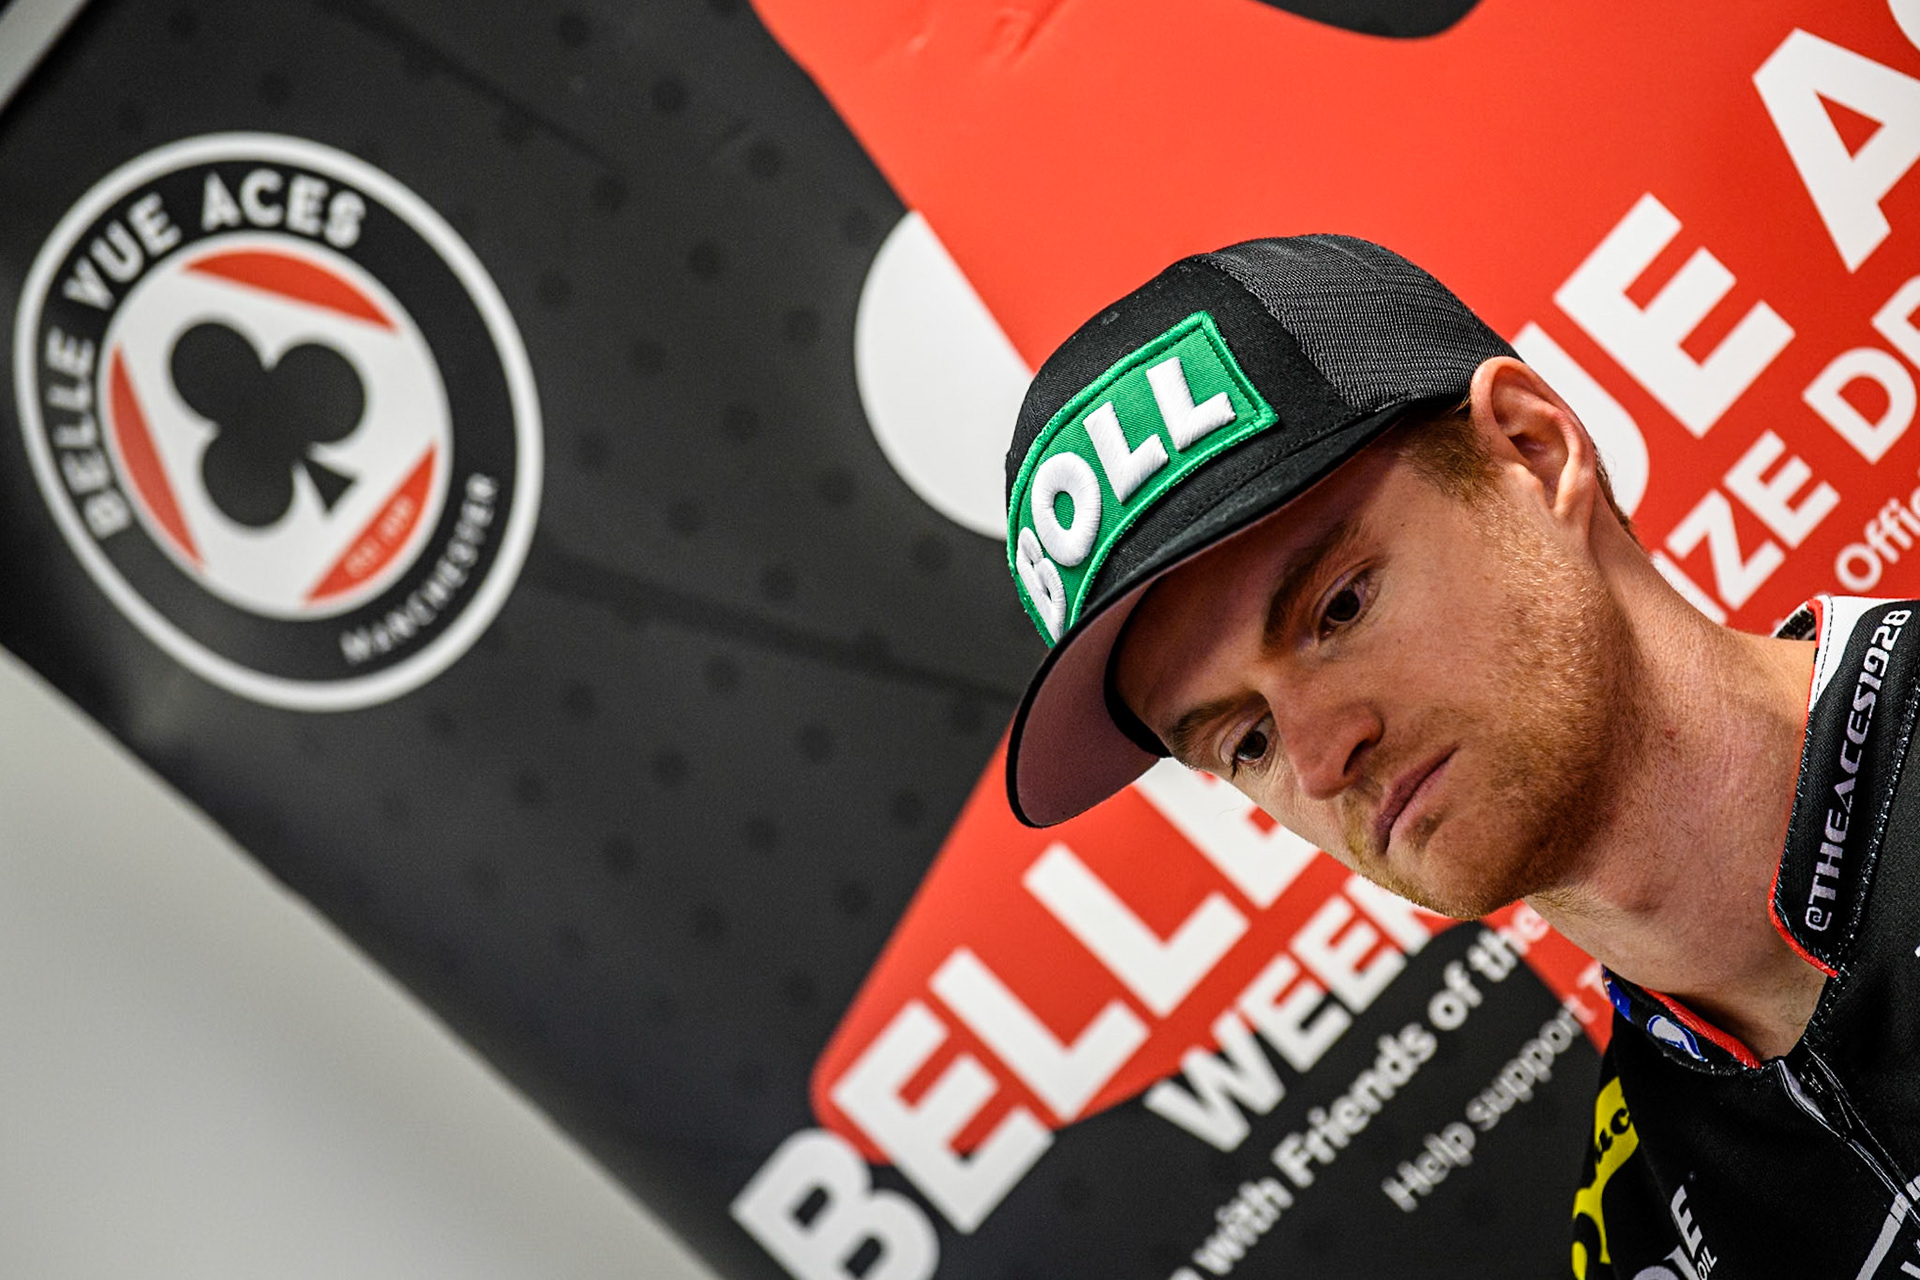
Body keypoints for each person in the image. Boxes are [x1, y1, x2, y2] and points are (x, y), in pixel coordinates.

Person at [1000, 234, 1920, 1277]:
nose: (1316, 756)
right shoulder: (1641, 1231)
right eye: (1242, 740)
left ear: (1533, 453)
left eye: (1337, 608)